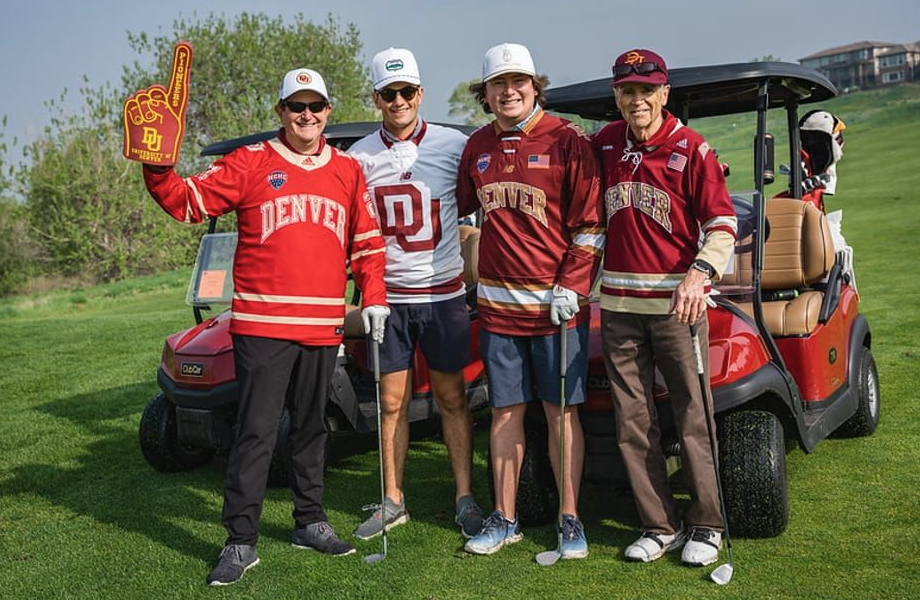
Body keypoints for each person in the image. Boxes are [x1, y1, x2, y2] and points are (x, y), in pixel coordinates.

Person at [139, 67, 389, 586]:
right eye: (296, 106)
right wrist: (157, 166)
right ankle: (240, 541)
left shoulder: (347, 170)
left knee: (312, 427)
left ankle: (310, 521)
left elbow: (367, 244)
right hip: (263, 326)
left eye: (315, 106)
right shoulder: (250, 163)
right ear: (280, 112)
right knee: (255, 433)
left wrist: (376, 299)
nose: (306, 115)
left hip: (322, 327)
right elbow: (188, 202)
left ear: (327, 111)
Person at [456, 43, 605, 558]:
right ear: (485, 93)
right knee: (503, 413)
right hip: (498, 309)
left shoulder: (568, 140)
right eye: (498, 84)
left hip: (555, 308)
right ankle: (505, 517)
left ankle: (569, 519)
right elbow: (462, 215)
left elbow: (590, 225)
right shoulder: (476, 146)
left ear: (534, 86)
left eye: (518, 82)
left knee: (561, 412)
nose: (508, 91)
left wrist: (574, 284)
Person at [592, 48, 738, 567]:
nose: (637, 100)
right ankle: (659, 524)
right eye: (628, 91)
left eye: (646, 90)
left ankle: (707, 523)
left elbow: (722, 223)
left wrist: (701, 274)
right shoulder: (605, 143)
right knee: (632, 421)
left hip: (678, 306)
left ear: (664, 93)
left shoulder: (692, 149)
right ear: (617, 95)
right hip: (619, 306)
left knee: (692, 415)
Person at [347, 48, 483, 541]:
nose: (399, 101)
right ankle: (393, 498)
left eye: (407, 92)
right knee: (390, 402)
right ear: (377, 98)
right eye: (389, 94)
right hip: (390, 299)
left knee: (452, 398)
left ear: (420, 93)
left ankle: (464, 496)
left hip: (443, 293)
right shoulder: (358, 156)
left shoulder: (453, 144)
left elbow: (476, 202)